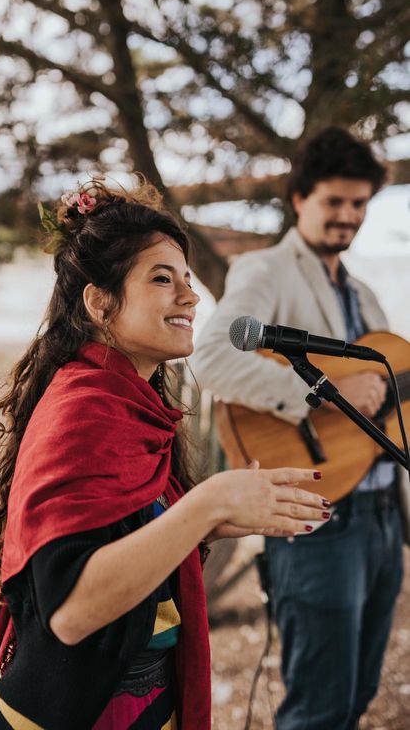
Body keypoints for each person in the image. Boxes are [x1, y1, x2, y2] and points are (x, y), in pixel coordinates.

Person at [0, 177, 330, 730]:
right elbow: (71, 611)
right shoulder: (83, 411)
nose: (191, 296)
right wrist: (204, 505)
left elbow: (118, 528)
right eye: (163, 279)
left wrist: (215, 521)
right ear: (100, 303)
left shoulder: (128, 402)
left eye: (187, 279)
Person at [192, 127, 409, 730]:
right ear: (299, 200)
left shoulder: (364, 295)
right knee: (316, 710)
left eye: (359, 204)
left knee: (359, 693)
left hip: (383, 513)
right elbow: (210, 356)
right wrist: (325, 397)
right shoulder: (266, 269)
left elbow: (386, 404)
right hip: (316, 517)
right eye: (334, 202)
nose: (348, 216)